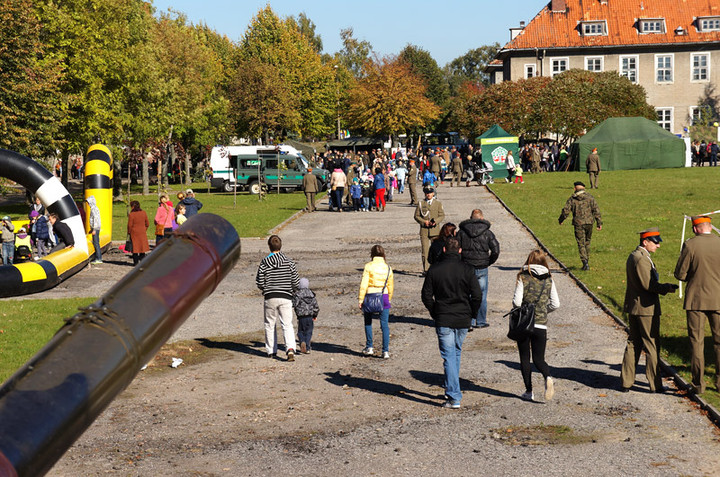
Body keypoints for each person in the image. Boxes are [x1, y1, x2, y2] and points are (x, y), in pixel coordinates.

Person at [422, 237, 482, 409]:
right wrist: (472, 313)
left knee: (450, 356)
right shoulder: (468, 270)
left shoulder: (435, 269)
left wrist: (435, 311)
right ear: (460, 251)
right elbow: (477, 295)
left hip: (445, 317)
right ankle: (453, 390)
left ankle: (454, 396)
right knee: (454, 354)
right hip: (462, 317)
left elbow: (426, 295)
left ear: (445, 250)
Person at [621, 227, 677, 393]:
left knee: (633, 344)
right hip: (645, 308)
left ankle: (626, 382)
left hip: (634, 306)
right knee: (651, 345)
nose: (658, 245)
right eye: (655, 242)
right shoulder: (642, 259)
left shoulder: (634, 255)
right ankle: (655, 384)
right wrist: (666, 288)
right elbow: (648, 285)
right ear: (645, 242)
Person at [674, 215, 720, 394]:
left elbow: (680, 274)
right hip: (718, 299)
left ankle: (698, 384)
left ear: (695, 229)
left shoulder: (690, 245)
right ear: (710, 226)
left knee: (696, 342)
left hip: (696, 300)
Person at [511, 250, 560, 401]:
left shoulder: (523, 277)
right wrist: (543, 311)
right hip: (541, 325)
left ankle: (529, 391)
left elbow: (517, 302)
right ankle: (548, 376)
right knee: (539, 359)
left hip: (525, 324)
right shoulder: (549, 280)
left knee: (525, 358)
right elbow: (556, 304)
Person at [256, 235, 300, 361]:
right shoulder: (289, 262)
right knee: (287, 324)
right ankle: (290, 348)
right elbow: (296, 281)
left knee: (269, 324)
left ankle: (271, 350)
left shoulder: (265, 262)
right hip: (286, 296)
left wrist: (265, 289)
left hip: (270, 296)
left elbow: (259, 281)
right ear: (281, 246)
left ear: (269, 247)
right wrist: (291, 289)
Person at [457, 209, 500, 329]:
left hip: (467, 267)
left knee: (468, 294)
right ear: (482, 218)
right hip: (482, 266)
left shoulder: (461, 232)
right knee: (481, 295)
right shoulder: (487, 232)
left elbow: (456, 249)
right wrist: (488, 261)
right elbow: (496, 250)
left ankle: (469, 321)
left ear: (471, 218)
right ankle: (480, 321)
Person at [358, 244, 394, 359]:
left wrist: (361, 298)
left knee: (368, 321)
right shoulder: (388, 268)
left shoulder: (368, 266)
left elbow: (364, 284)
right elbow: (390, 286)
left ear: (372, 254)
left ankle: (369, 346)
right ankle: (385, 351)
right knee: (384, 325)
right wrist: (389, 298)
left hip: (370, 295)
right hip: (383, 296)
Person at [558, 181, 602, 271]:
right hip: (589, 223)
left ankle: (585, 262)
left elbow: (565, 211)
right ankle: (586, 261)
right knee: (587, 242)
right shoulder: (590, 198)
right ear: (584, 188)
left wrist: (561, 220)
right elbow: (596, 210)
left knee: (581, 243)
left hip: (578, 224)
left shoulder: (572, 199)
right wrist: (599, 222)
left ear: (575, 189)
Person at [414, 186, 445, 273]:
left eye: (430, 193)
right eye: (427, 193)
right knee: (425, 251)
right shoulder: (421, 203)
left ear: (433, 193)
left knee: (436, 250)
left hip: (435, 230)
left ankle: (435, 268)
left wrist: (435, 221)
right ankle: (426, 269)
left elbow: (442, 215)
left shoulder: (438, 203)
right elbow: (416, 216)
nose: (428, 195)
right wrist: (424, 222)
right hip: (424, 230)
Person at [293, 277, 319, 354]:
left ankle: (302, 341)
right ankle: (307, 347)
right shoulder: (312, 294)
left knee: (300, 332)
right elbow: (316, 306)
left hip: (301, 317)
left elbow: (294, 304)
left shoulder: (298, 294)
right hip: (310, 317)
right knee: (309, 332)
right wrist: (315, 315)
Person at [127, 200, 150, 266]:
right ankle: (142, 262)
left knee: (135, 248)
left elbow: (130, 225)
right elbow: (147, 223)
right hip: (142, 232)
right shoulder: (143, 213)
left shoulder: (132, 214)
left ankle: (136, 263)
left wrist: (129, 232)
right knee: (142, 248)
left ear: (133, 207)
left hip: (134, 233)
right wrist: (144, 229)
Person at [86, 195, 102, 264]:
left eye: (89, 203)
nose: (88, 204)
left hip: (96, 228)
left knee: (96, 243)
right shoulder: (94, 208)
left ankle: (98, 258)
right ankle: (98, 257)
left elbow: (95, 219)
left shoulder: (93, 209)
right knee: (96, 242)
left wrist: (94, 229)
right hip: (95, 228)